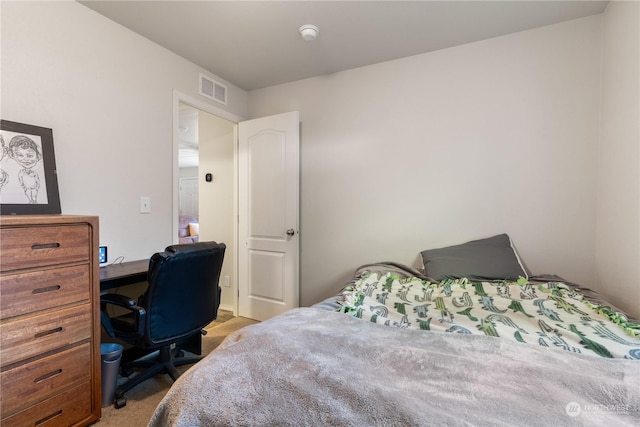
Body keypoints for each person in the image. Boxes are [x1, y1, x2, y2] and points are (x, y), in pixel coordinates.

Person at [8, 135, 42, 203]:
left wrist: (37, 186)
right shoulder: (18, 173)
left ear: (37, 156)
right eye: (20, 155)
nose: (25, 159)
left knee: (34, 194)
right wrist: (23, 186)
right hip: (26, 188)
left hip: (34, 187)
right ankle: (30, 201)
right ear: (11, 155)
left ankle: (34, 201)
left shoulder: (35, 172)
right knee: (28, 193)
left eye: (29, 155)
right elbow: (21, 180)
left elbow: (37, 180)